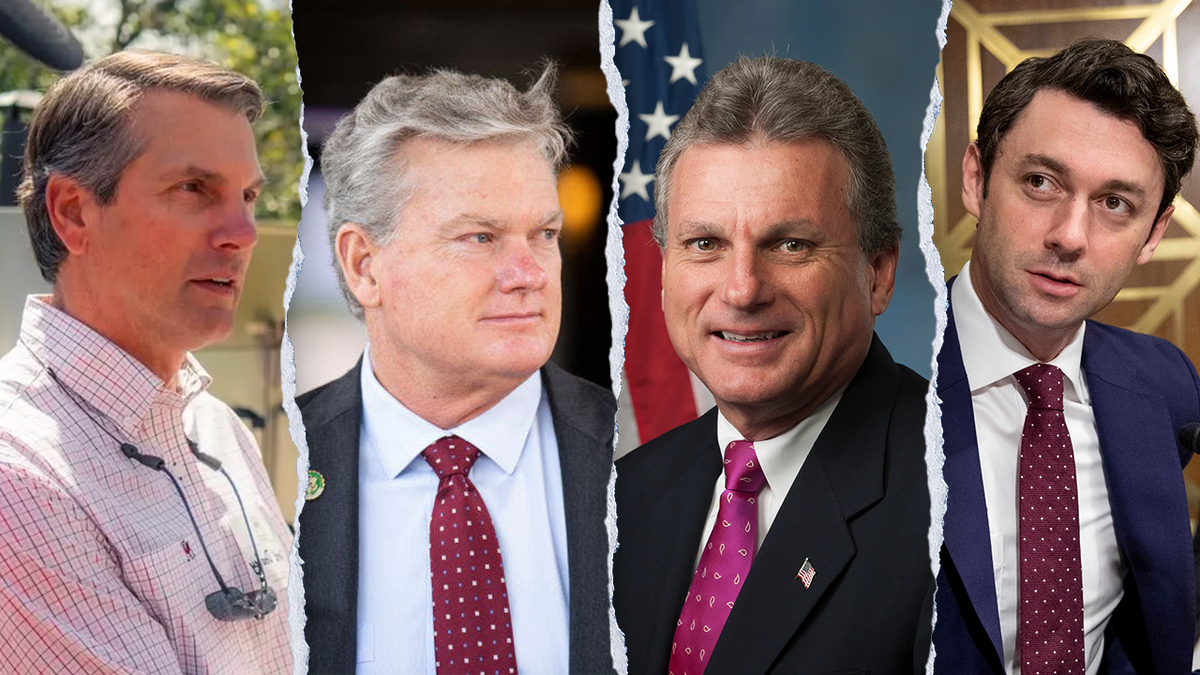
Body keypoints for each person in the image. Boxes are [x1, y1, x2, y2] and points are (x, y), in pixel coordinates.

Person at [612, 55, 933, 675]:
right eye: (704, 244)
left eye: (791, 245)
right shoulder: (625, 498)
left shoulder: (967, 499)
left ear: (879, 272)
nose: (741, 290)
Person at [297, 66, 616, 675]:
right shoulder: (264, 477)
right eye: (480, 238)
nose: (530, 273)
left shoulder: (647, 457)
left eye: (544, 233)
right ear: (364, 265)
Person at [0, 51, 292, 673]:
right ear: (74, 212)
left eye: (246, 194)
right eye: (194, 189)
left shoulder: (215, 426)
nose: (242, 231)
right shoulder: (16, 475)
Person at [932, 38, 1200, 675]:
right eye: (1041, 182)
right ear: (977, 179)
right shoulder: (852, 375)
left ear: (1154, 234)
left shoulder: (1166, 384)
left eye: (1115, 204)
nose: (1070, 236)